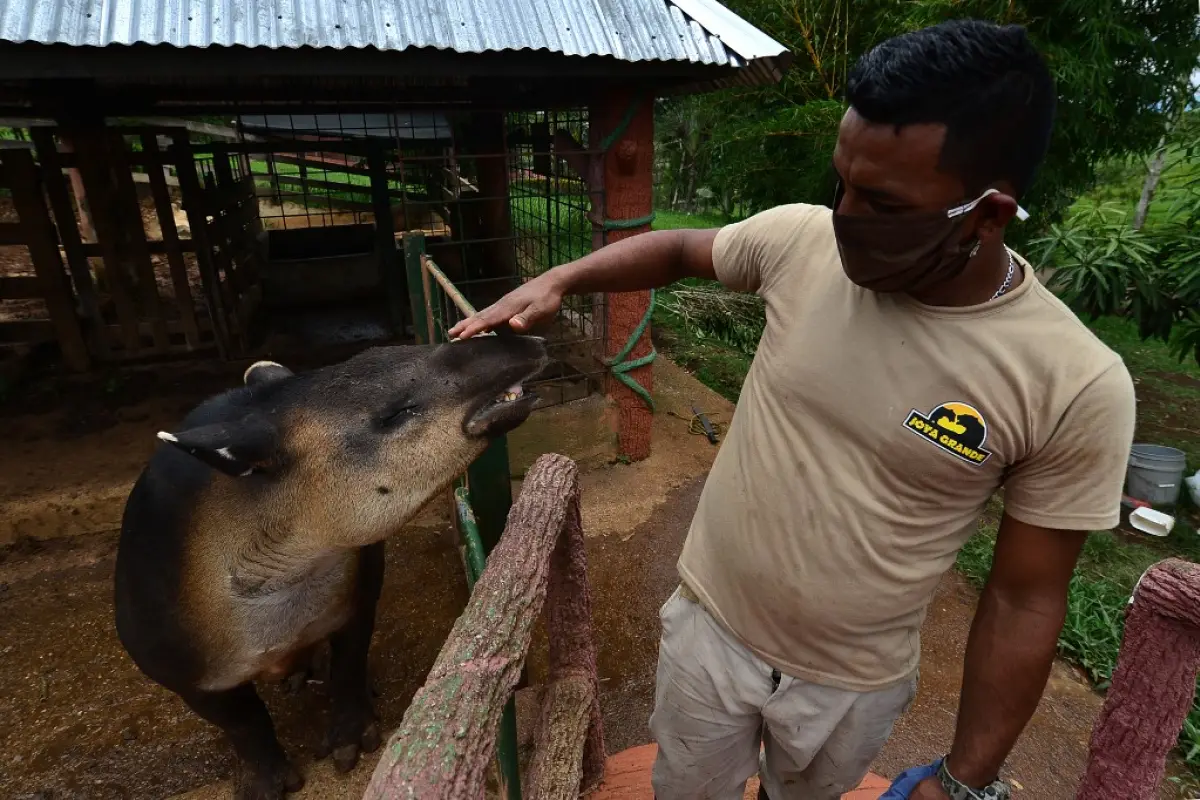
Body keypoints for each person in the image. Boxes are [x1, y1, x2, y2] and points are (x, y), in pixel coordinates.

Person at [450, 19, 1135, 800]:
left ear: (987, 215)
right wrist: (564, 278)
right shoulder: (800, 243)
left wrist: (965, 778)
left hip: (851, 687)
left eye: (881, 201)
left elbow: (1024, 596)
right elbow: (679, 251)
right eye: (840, 181)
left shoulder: (1075, 383)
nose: (844, 213)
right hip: (711, 632)